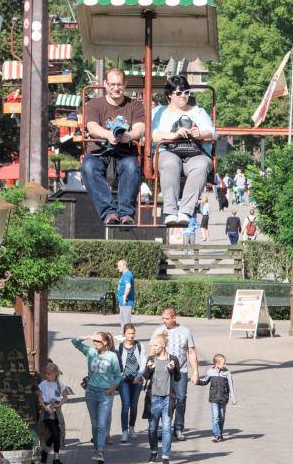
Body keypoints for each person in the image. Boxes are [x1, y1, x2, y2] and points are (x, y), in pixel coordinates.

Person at [81, 67, 145, 226]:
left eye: (119, 84)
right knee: (88, 166)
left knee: (131, 166)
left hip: (125, 152)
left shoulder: (135, 105)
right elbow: (92, 127)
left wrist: (128, 136)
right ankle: (109, 212)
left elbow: (140, 128)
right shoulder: (94, 104)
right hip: (99, 152)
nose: (116, 88)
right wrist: (108, 135)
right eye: (112, 84)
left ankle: (126, 214)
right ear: (105, 84)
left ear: (125, 84)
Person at [152, 75, 216, 227]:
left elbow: (212, 132)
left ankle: (185, 212)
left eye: (186, 92)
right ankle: (170, 211)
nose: (184, 96)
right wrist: (175, 135)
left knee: (202, 165)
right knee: (169, 163)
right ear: (170, 95)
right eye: (179, 93)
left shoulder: (198, 112)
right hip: (168, 151)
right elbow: (154, 135)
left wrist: (199, 133)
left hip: (195, 153)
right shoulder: (159, 112)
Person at [72, 331, 121, 464]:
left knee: (101, 424)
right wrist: (88, 336)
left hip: (105, 394)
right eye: (94, 341)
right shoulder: (91, 352)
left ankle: (100, 450)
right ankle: (96, 446)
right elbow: (74, 341)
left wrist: (112, 389)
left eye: (98, 341)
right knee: (94, 423)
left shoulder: (112, 356)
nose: (95, 343)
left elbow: (118, 375)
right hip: (91, 393)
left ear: (105, 342)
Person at [150, 307, 199, 440]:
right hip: (162, 372)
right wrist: (150, 369)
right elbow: (152, 351)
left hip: (181, 371)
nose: (164, 321)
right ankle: (165, 428)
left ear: (174, 318)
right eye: (163, 318)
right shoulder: (159, 331)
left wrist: (195, 372)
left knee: (181, 399)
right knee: (164, 400)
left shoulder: (186, 332)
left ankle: (178, 428)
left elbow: (191, 352)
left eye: (167, 318)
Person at [142, 332, 181, 464]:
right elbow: (145, 377)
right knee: (152, 428)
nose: (153, 347)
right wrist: (148, 370)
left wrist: (172, 370)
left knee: (166, 428)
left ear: (163, 345)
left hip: (167, 399)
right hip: (153, 398)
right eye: (153, 345)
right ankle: (153, 451)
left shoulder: (173, 359)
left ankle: (165, 456)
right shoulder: (151, 359)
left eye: (156, 345)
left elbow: (178, 378)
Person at [196, 353, 236, 442]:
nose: (225, 365)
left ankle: (220, 434)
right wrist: (197, 381)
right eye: (223, 363)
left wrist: (233, 398)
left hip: (223, 398)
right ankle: (216, 434)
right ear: (217, 364)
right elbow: (205, 381)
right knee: (215, 417)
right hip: (213, 398)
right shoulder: (210, 372)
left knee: (221, 417)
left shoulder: (227, 373)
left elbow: (231, 386)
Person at [117, 324, 146, 442]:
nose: (131, 336)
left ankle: (132, 427)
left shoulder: (139, 346)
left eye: (132, 333)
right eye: (128, 333)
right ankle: (124, 431)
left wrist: (139, 376)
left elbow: (143, 362)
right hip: (124, 379)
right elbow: (117, 364)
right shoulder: (119, 347)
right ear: (124, 334)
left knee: (134, 405)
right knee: (125, 405)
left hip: (137, 379)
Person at [38, 361, 68, 464]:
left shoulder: (60, 384)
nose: (47, 376)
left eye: (49, 374)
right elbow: (40, 399)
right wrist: (45, 407)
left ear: (55, 374)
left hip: (57, 413)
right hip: (47, 413)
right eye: (46, 374)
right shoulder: (43, 384)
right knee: (55, 434)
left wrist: (58, 404)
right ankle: (51, 457)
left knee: (57, 435)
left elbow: (65, 398)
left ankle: (53, 458)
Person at [116, 258, 135, 327]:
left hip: (126, 302)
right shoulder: (124, 274)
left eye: (119, 266)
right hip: (123, 301)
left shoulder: (127, 274)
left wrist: (124, 297)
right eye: (118, 266)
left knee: (126, 322)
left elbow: (128, 286)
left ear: (124, 266)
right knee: (123, 320)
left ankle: (126, 333)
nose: (118, 268)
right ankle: (123, 333)